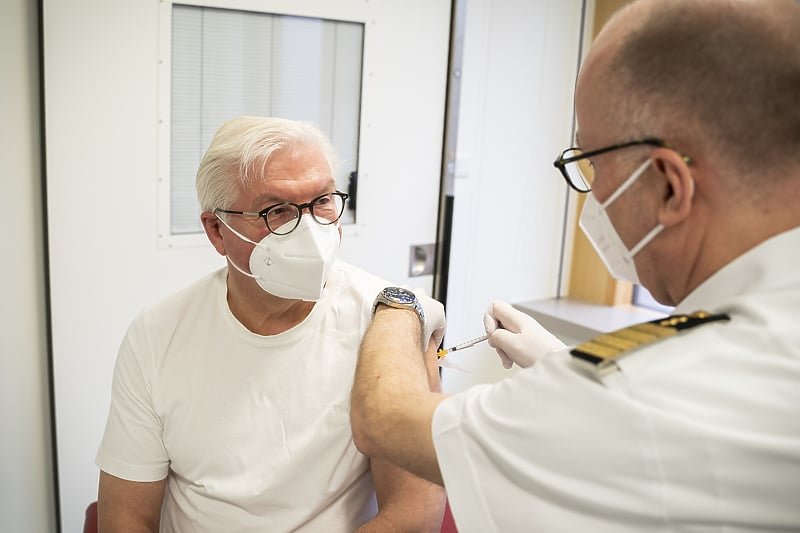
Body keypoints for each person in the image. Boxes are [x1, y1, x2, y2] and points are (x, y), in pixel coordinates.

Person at [350, 0, 800, 531]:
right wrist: (559, 362)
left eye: (590, 163)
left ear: (668, 186)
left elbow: (382, 419)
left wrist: (399, 304)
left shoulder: (651, 390)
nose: (591, 194)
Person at [95, 116, 445, 532]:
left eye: (323, 201)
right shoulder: (157, 335)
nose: (310, 230)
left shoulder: (388, 323)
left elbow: (414, 514)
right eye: (276, 210)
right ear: (216, 231)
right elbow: (126, 517)